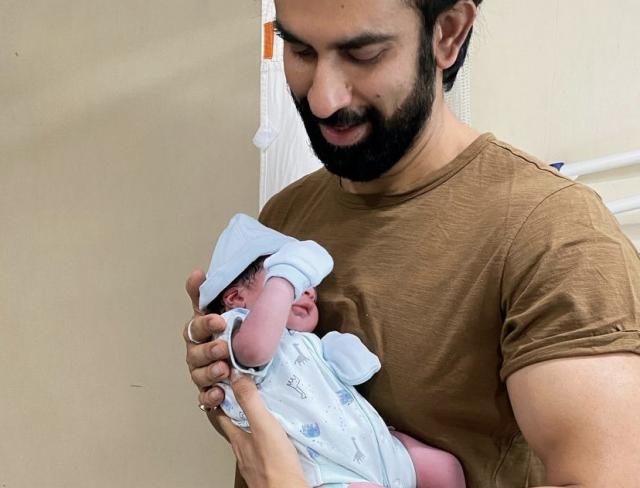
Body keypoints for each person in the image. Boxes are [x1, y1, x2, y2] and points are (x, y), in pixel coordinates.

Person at [184, 0, 640, 486]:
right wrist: (224, 381)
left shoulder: (555, 232)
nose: (322, 100)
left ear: (448, 33)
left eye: (363, 54)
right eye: (300, 50)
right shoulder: (284, 218)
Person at [199, 213, 465, 488]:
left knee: (445, 468)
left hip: (376, 448)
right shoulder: (235, 330)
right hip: (325, 473)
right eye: (288, 277)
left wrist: (341, 355)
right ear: (235, 297)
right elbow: (254, 351)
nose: (309, 291)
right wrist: (286, 279)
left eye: (309, 284)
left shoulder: (307, 342)